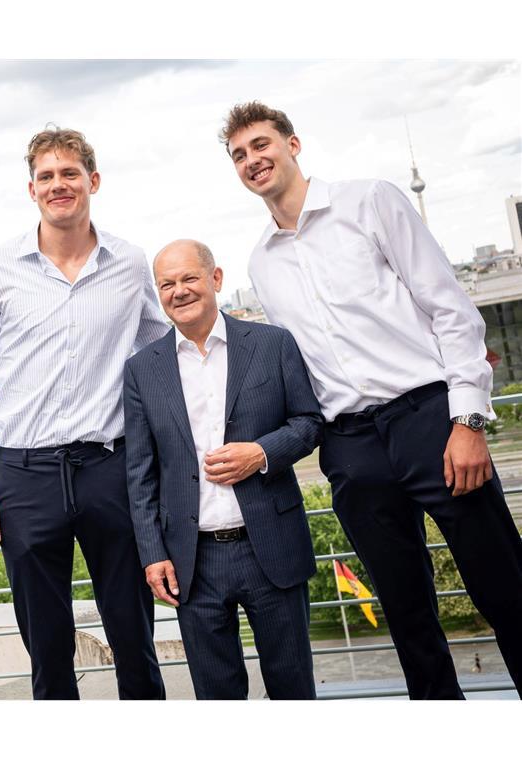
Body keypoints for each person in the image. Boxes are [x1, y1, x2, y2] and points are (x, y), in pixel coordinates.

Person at [221, 100, 522, 699]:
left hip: (429, 421)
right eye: (239, 155)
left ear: (293, 144)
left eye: (262, 145)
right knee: (406, 613)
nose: (253, 160)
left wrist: (466, 420)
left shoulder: (371, 202)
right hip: (350, 447)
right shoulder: (262, 261)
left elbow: (451, 310)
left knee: (505, 589)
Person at [0, 126, 167, 699]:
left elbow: (162, 347)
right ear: (32, 190)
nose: (59, 185)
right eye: (46, 176)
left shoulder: (129, 263)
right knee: (47, 647)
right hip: (25, 477)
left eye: (70, 173)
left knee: (133, 633)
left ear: (92, 181)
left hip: (110, 469)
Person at [123, 239, 323, 699]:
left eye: (189, 278)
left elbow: (309, 423)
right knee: (217, 697)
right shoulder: (141, 370)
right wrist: (153, 553)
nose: (179, 291)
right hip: (193, 561)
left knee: (294, 689)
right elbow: (139, 472)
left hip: (269, 545)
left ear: (215, 279)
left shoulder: (272, 344)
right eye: (167, 284)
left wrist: (260, 453)